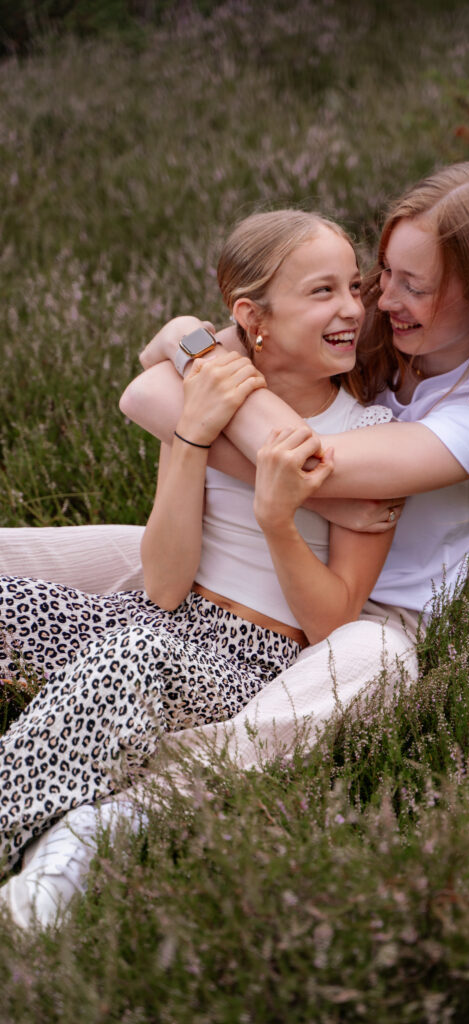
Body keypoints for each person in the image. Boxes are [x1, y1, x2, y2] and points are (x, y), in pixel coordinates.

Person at [1, 160, 469, 927]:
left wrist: (215, 413)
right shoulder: (364, 335)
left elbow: (304, 462)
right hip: (229, 565)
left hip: (357, 619)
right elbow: (159, 368)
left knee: (376, 665)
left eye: (414, 286)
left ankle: (126, 803)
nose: (381, 302)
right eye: (379, 276)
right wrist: (209, 394)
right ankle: (104, 706)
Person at [0, 209, 396, 925]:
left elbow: (333, 622)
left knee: (130, 656)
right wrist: (190, 434)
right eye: (322, 292)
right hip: (160, 615)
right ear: (254, 316)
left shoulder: (370, 436)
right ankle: (76, 718)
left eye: (355, 287)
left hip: (249, 657)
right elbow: (162, 585)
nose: (350, 310)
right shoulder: (209, 391)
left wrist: (281, 520)